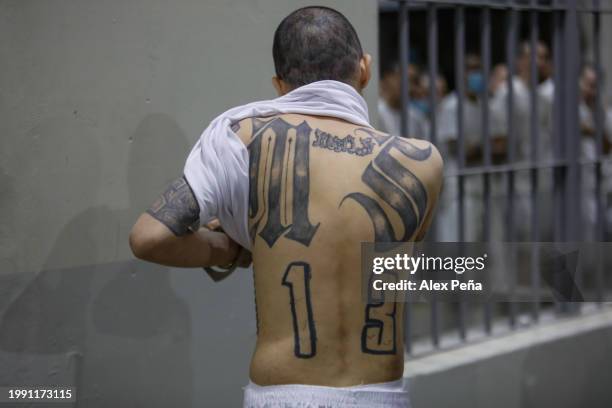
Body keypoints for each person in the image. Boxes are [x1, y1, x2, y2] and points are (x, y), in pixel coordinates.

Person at [129, 6, 443, 408]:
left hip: (284, 396)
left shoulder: (243, 137)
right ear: (364, 69)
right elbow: (389, 265)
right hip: (383, 394)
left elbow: (149, 237)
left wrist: (232, 249)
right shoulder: (423, 162)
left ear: (280, 86)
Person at [378, 60, 430, 139]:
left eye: (411, 81)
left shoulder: (416, 117)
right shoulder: (376, 111)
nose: (406, 85)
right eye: (400, 78)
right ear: (387, 78)